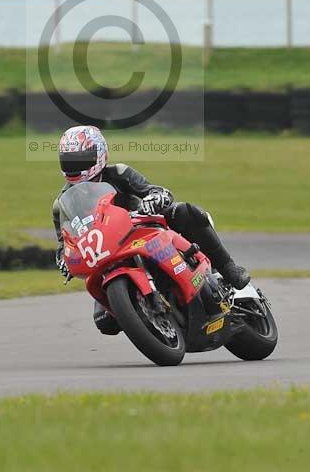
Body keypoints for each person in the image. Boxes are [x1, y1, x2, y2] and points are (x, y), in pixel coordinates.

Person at [53, 125, 250, 336]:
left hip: (142, 231)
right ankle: (147, 315)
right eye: (69, 161)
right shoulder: (62, 205)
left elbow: (155, 190)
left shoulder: (118, 173)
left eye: (80, 160)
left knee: (185, 212)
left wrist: (155, 198)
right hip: (109, 254)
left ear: (99, 154)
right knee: (104, 322)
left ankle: (228, 268)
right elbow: (65, 242)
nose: (75, 167)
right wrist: (64, 259)